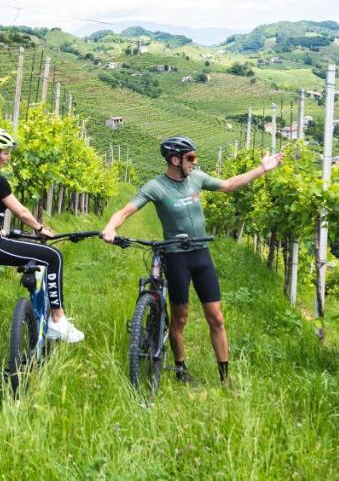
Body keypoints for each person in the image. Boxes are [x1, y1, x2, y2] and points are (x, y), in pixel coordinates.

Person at [100, 136, 281, 384]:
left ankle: (224, 377)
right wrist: (110, 227)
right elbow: (126, 211)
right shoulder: (156, 186)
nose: (195, 163)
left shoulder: (196, 178)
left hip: (201, 254)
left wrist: (261, 169)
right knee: (180, 319)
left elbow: (228, 184)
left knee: (216, 317)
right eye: (191, 158)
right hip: (176, 258)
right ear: (175, 160)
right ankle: (181, 370)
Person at [0, 126, 84, 364]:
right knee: (53, 257)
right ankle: (58, 320)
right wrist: (40, 228)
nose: (7, 158)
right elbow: (20, 210)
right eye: (5, 153)